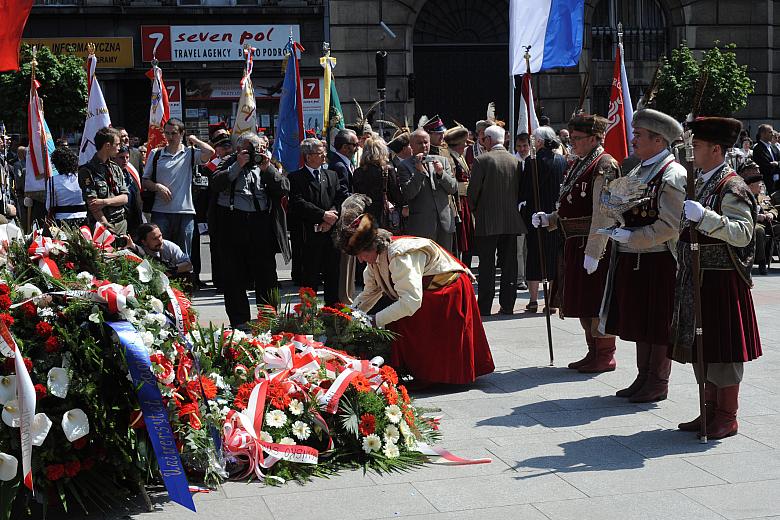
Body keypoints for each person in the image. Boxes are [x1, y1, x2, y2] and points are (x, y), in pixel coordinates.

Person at [337, 193, 494, 386]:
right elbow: (371, 292)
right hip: (427, 291)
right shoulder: (375, 260)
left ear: (370, 246)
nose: (360, 260)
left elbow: (411, 301)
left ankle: (437, 375)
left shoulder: (399, 256)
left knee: (402, 318)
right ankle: (417, 370)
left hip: (447, 290)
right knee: (395, 316)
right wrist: (351, 315)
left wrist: (375, 320)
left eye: (360, 254)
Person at [671, 116, 762, 440]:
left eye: (696, 146)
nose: (691, 151)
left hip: (721, 279)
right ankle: (709, 409)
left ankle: (727, 415)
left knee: (724, 349)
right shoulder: (701, 180)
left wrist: (705, 217)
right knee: (703, 346)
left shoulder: (732, 185)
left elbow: (742, 233)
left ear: (716, 149)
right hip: (698, 278)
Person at [599, 109, 686, 403]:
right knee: (639, 321)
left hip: (657, 259)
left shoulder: (672, 174)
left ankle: (658, 381)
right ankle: (643, 376)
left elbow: (671, 225)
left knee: (657, 323)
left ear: (659, 140)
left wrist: (633, 236)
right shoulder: (639, 169)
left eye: (639, 135)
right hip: (633, 257)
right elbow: (617, 204)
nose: (633, 140)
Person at [532, 114, 620, 373]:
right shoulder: (579, 163)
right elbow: (570, 205)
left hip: (594, 244)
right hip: (573, 242)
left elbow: (603, 212)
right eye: (572, 139)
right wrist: (549, 219)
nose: (573, 144)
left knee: (595, 301)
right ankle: (592, 351)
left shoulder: (604, 165)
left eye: (578, 139)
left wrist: (594, 251)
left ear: (594, 138)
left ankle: (605, 355)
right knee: (581, 301)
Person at [211, 132, 290, 328]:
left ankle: (268, 319)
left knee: (266, 275)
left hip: (260, 223)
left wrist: (267, 168)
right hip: (233, 222)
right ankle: (239, 320)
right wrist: (237, 165)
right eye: (248, 149)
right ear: (238, 149)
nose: (253, 153)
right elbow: (216, 183)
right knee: (234, 275)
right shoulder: (227, 161)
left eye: (258, 149)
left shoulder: (268, 164)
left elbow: (284, 187)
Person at [467, 125, 524, 315]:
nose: (482, 143)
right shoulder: (515, 161)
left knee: (487, 266)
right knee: (509, 265)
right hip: (510, 221)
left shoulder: (482, 160)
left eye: (483, 139)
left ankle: (484, 306)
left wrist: (476, 210)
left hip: (487, 221)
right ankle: (508, 304)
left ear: (489, 140)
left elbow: (472, 192)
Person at [142, 118, 214, 258]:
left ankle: (185, 279)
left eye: (174, 133)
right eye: (167, 133)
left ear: (182, 134)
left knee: (183, 255)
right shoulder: (156, 153)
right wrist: (157, 187)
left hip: (185, 212)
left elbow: (210, 152)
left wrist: (195, 140)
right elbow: (145, 181)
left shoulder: (190, 153)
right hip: (161, 211)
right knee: (160, 253)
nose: (170, 137)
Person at [287, 138, 348, 305]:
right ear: (308, 157)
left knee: (332, 275)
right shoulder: (296, 177)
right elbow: (298, 203)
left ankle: (332, 310)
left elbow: (340, 197)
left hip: (331, 233)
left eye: (324, 152)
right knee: (310, 277)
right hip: (309, 235)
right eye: (320, 153)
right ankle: (308, 313)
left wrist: (331, 216)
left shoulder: (331, 175)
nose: (324, 156)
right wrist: (322, 215)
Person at [519, 126, 566, 312]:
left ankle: (533, 300)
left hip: (536, 216)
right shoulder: (562, 160)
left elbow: (525, 189)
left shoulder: (533, 162)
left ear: (539, 142)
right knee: (553, 258)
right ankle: (551, 302)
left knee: (535, 257)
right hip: (554, 216)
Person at [396, 129, 458, 251]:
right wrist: (419, 172)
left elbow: (453, 188)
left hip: (444, 224)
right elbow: (408, 193)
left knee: (445, 262)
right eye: (419, 143)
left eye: (426, 142)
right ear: (411, 146)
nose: (424, 146)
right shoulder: (404, 166)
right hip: (422, 226)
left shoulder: (442, 161)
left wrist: (441, 174)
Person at [78, 127, 129, 235]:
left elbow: (125, 198)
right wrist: (106, 227)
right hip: (102, 227)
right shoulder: (87, 171)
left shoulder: (115, 168)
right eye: (117, 144)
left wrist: (104, 202)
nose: (119, 148)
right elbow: (94, 205)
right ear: (107, 146)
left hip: (121, 223)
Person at [204, 126, 234, 292]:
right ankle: (219, 281)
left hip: (235, 211)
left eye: (228, 146)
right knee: (218, 248)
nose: (226, 149)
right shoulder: (211, 166)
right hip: (216, 210)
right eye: (222, 146)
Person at [352, 137, 403, 229]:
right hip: (383, 214)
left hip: (364, 215)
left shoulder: (358, 172)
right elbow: (397, 196)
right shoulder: (387, 170)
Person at [443, 125, 475, 266]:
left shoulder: (459, 156)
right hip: (458, 203)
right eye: (463, 144)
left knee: (467, 238)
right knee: (460, 239)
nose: (465, 146)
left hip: (465, 202)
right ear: (457, 144)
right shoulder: (449, 158)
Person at [127, 222, 192, 277]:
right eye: (154, 238)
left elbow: (188, 265)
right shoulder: (137, 250)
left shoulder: (169, 246)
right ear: (144, 242)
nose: (160, 240)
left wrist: (172, 270)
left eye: (160, 236)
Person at [743, 172, 777, 274]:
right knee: (758, 231)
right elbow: (742, 213)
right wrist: (757, 217)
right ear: (751, 185)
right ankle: (762, 262)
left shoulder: (762, 197)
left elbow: (773, 208)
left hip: (769, 224)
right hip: (753, 223)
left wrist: (771, 214)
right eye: (759, 184)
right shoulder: (744, 197)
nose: (762, 186)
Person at [48, 146, 86, 227]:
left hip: (62, 221)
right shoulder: (83, 176)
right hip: (84, 219)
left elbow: (49, 206)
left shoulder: (52, 181)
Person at [114, 146, 143, 236]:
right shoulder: (111, 175)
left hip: (134, 216)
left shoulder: (129, 175)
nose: (125, 160)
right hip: (120, 217)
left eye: (127, 157)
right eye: (121, 157)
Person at [328, 129, 358, 194]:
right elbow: (342, 194)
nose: (357, 148)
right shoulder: (339, 167)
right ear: (345, 147)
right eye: (355, 145)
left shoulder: (345, 163)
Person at [752, 124, 778, 192]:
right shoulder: (758, 149)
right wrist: (774, 165)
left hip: (778, 183)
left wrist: (776, 164)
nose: (773, 134)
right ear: (762, 134)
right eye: (770, 132)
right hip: (766, 184)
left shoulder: (774, 147)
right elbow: (764, 167)